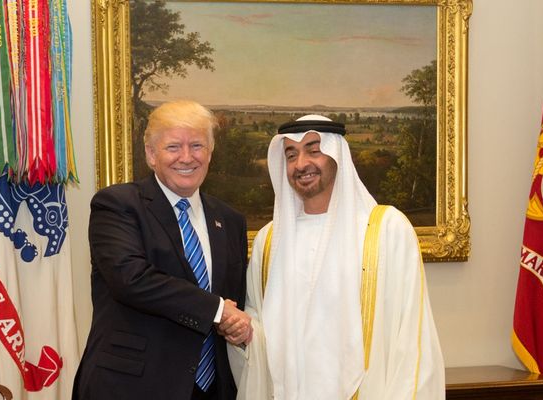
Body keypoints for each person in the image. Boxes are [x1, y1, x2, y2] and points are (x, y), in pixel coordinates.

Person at [231, 115, 444, 399]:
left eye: (314, 150)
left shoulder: (386, 229)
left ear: (336, 156)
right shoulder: (270, 241)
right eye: (291, 154)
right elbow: (262, 326)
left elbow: (411, 338)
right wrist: (243, 333)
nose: (301, 163)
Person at [74, 100, 252, 400]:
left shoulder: (230, 220)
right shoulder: (117, 205)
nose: (186, 157)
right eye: (173, 147)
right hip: (132, 387)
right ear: (151, 154)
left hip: (211, 390)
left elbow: (236, 299)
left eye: (197, 145)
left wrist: (239, 329)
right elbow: (132, 279)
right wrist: (219, 311)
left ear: (210, 153)